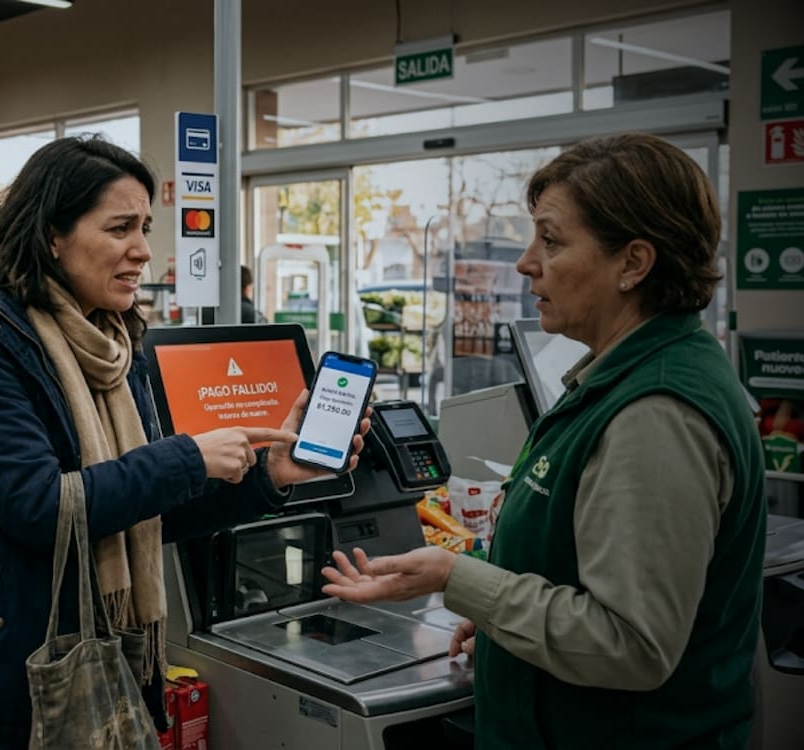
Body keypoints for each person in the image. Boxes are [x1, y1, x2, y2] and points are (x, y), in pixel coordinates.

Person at [0, 135, 369, 749]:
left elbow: (142, 510)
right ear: (52, 236)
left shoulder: (112, 345)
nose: (142, 251)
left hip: (92, 664)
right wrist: (187, 456)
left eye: (144, 227)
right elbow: (38, 507)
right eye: (119, 229)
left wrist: (269, 474)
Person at [321, 133, 765, 749]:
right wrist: (511, 630)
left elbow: (630, 645)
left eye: (551, 241)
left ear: (633, 263)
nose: (527, 261)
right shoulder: (624, 379)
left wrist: (455, 576)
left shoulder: (655, 413)